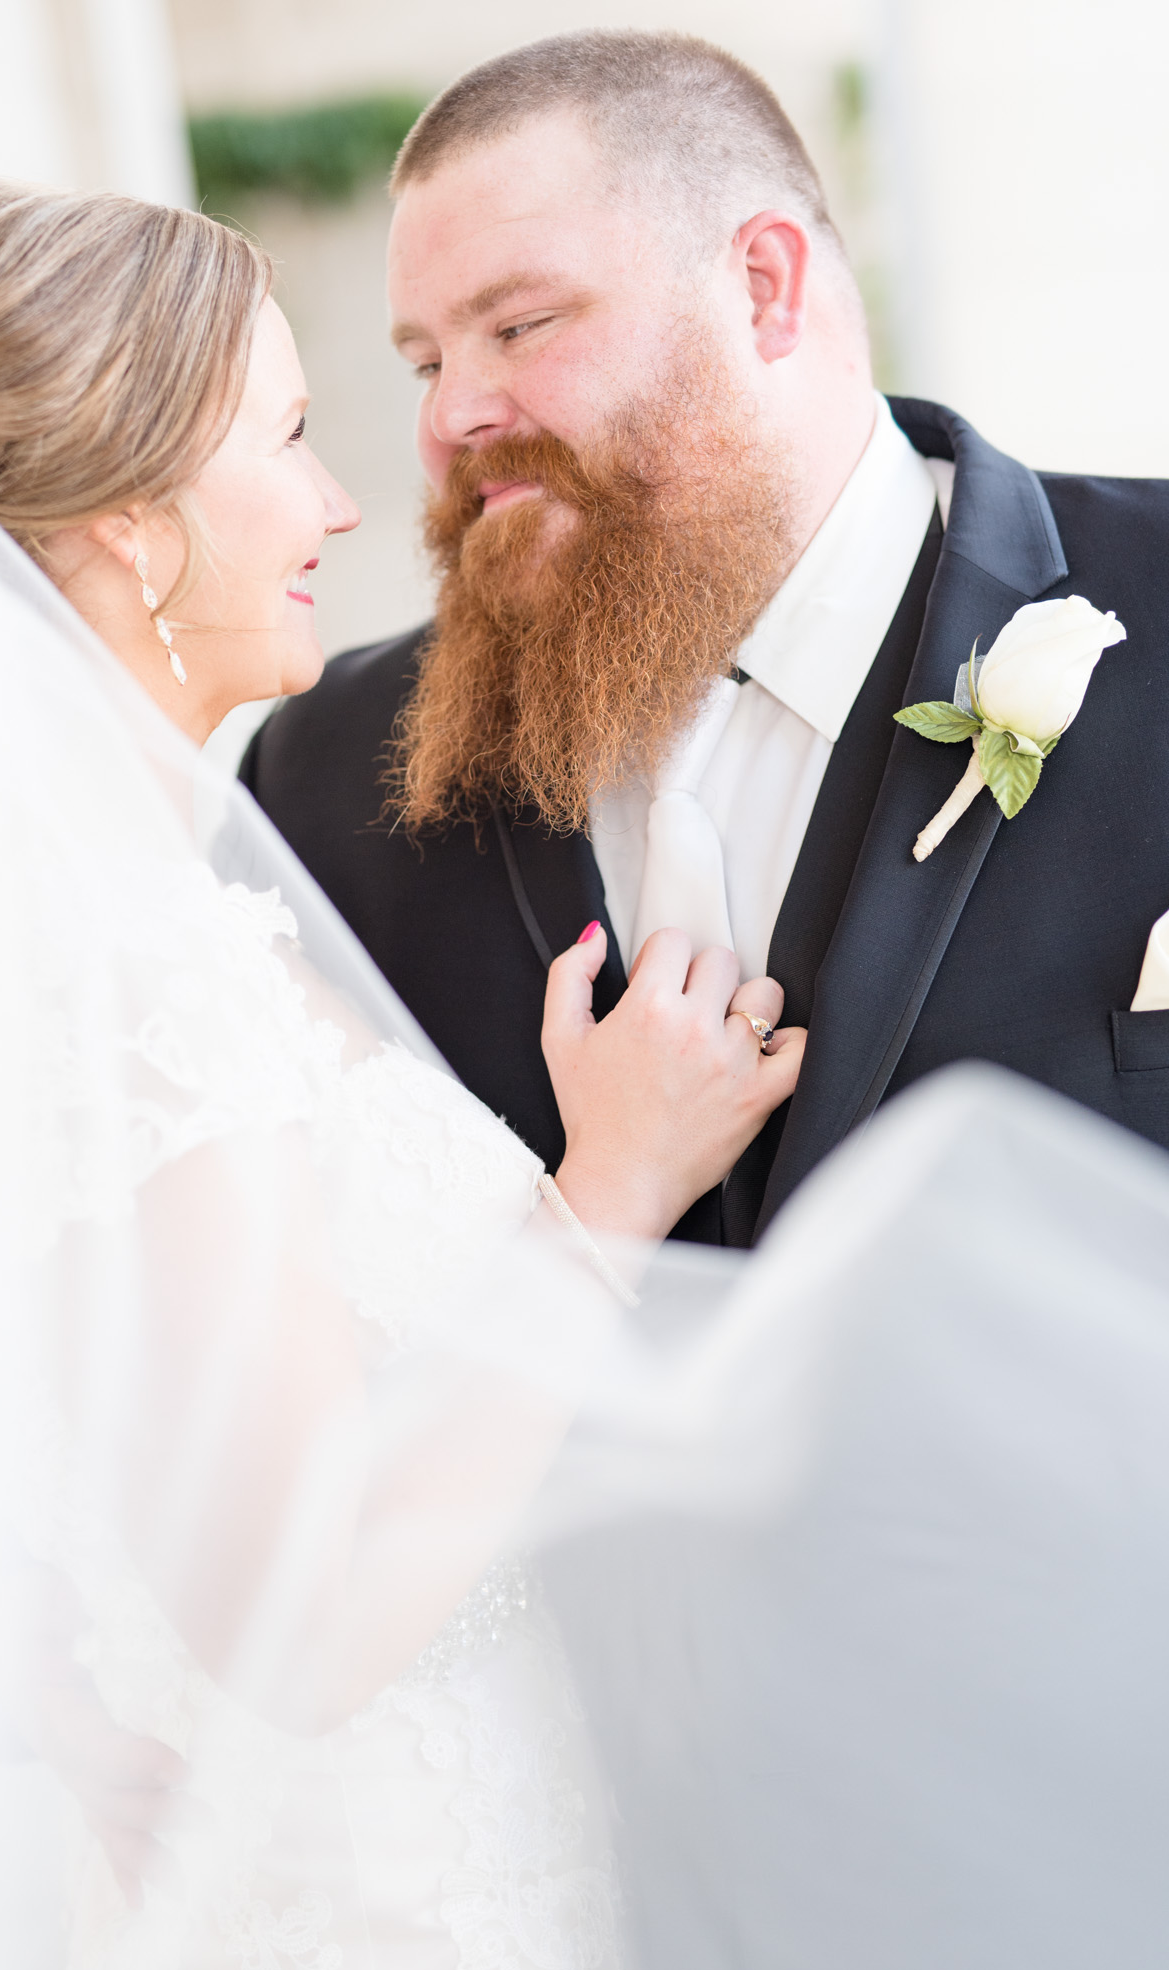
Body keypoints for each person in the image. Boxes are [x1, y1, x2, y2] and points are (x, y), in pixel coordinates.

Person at [0, 178, 800, 1970]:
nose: (343, 503)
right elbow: (306, 1609)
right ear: (127, 524)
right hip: (395, 1945)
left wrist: (46, 1673)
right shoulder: (123, 970)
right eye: (285, 436)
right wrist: (609, 1191)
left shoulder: (25, 929)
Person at [243, 29, 1169, 1249]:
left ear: (762, 289)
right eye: (423, 360)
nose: (450, 416)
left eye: (518, 326)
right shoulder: (320, 775)